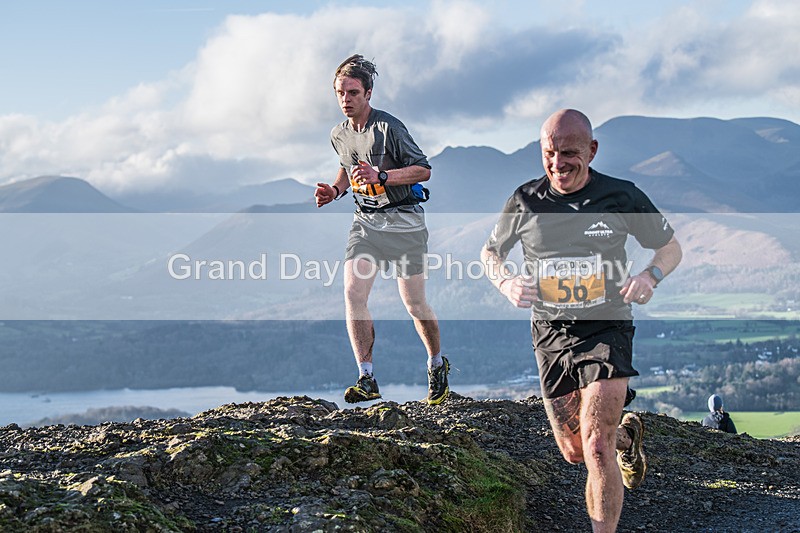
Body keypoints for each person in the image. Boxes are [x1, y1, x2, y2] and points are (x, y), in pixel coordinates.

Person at [481, 109, 682, 532]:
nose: (557, 164)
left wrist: (650, 275)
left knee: (594, 445)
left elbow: (670, 248)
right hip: (550, 333)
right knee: (574, 450)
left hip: (607, 327)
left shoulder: (621, 196)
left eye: (568, 153)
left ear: (591, 151)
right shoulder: (524, 200)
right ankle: (627, 437)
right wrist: (506, 284)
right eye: (549, 153)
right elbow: (490, 254)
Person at [314, 54, 448, 405]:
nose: (346, 99)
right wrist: (335, 190)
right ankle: (366, 377)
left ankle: (436, 364)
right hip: (366, 222)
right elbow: (347, 167)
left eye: (353, 92)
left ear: (368, 93)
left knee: (414, 302)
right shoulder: (338, 134)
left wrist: (383, 176)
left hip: (404, 220)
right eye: (340, 93)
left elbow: (423, 169)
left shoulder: (389, 128)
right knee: (353, 294)